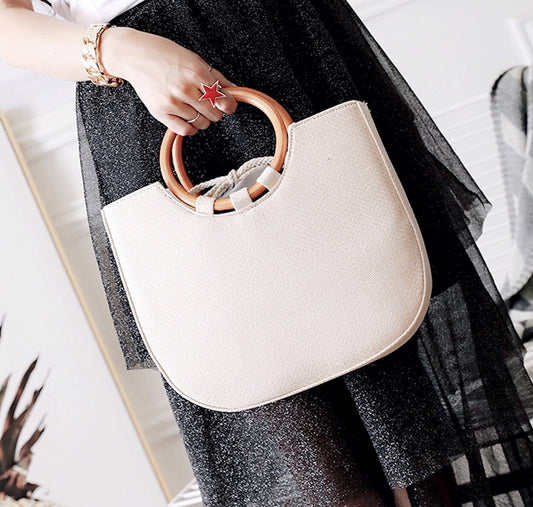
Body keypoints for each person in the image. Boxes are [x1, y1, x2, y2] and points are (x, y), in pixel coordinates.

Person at [2, 0, 533, 505]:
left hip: (290, 50)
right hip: (152, 91)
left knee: (409, 425)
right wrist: (120, 50)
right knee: (304, 441)